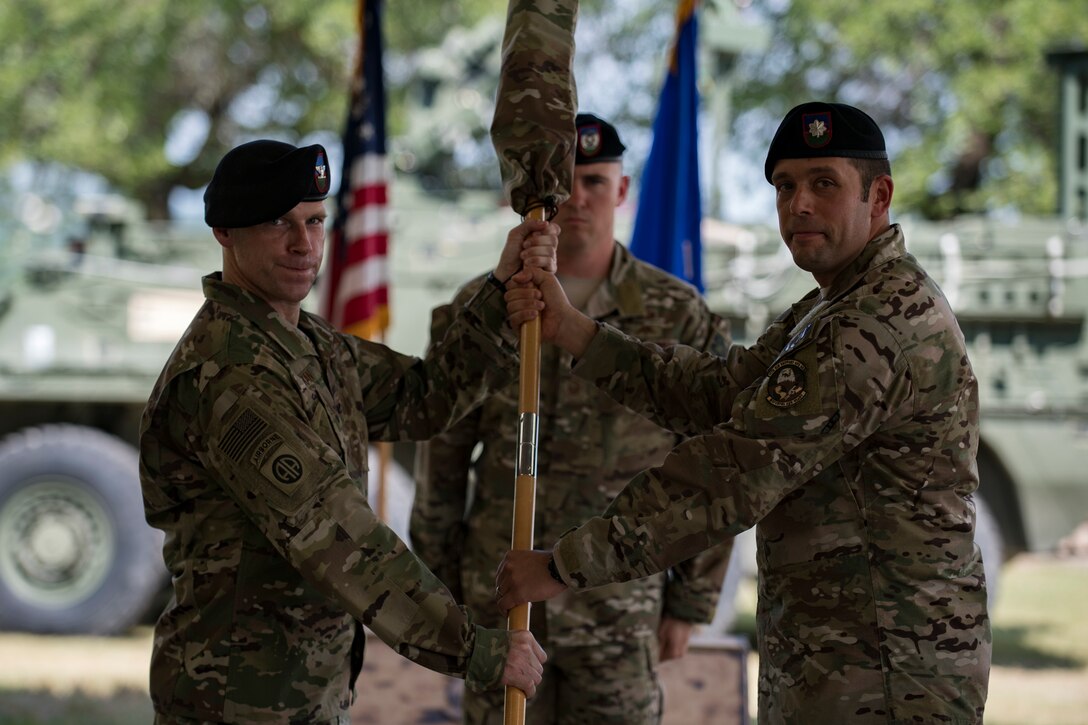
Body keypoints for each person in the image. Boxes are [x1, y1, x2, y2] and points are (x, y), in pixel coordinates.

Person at [497, 102, 991, 723]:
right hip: (844, 660)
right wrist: (573, 331)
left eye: (824, 184)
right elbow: (718, 393)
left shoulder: (875, 325)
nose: (800, 204)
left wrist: (562, 567)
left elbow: (733, 472)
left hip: (885, 673)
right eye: (785, 187)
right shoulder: (829, 308)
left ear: (880, 195)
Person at [138, 139, 554, 724]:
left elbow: (424, 398)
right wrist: (474, 648)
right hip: (235, 704)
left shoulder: (312, 347)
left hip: (304, 696)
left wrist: (499, 292)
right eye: (277, 224)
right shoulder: (230, 372)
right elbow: (336, 535)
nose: (303, 244)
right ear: (225, 233)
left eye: (314, 221)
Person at [409, 113, 733, 725]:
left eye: (595, 181)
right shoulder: (481, 308)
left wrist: (690, 602)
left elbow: (714, 463)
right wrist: (439, 597)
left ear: (623, 191)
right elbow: (441, 463)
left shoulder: (677, 315)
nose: (578, 199)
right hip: (499, 607)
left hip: (616, 607)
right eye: (565, 185)